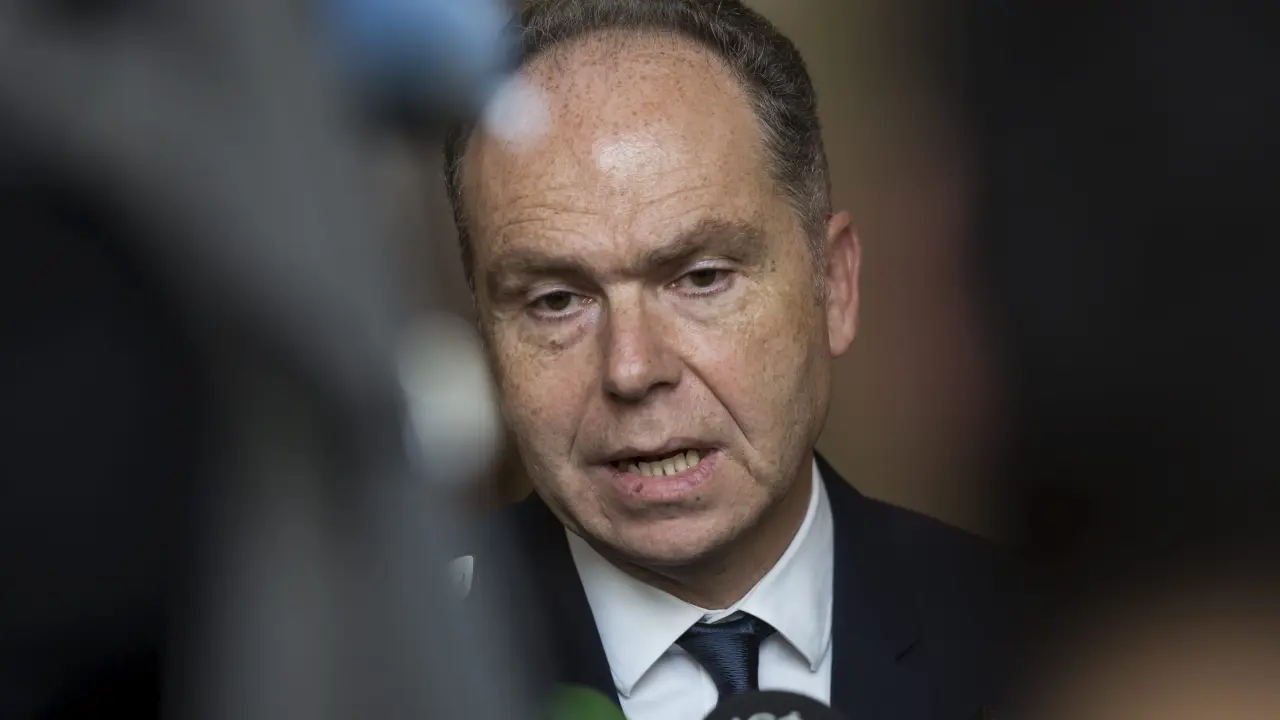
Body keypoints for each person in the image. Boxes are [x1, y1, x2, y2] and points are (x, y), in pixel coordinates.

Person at [441, 2, 1014, 718]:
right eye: (556, 301)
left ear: (834, 286)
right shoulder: (376, 660)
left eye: (701, 278)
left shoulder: (1032, 645)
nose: (631, 369)